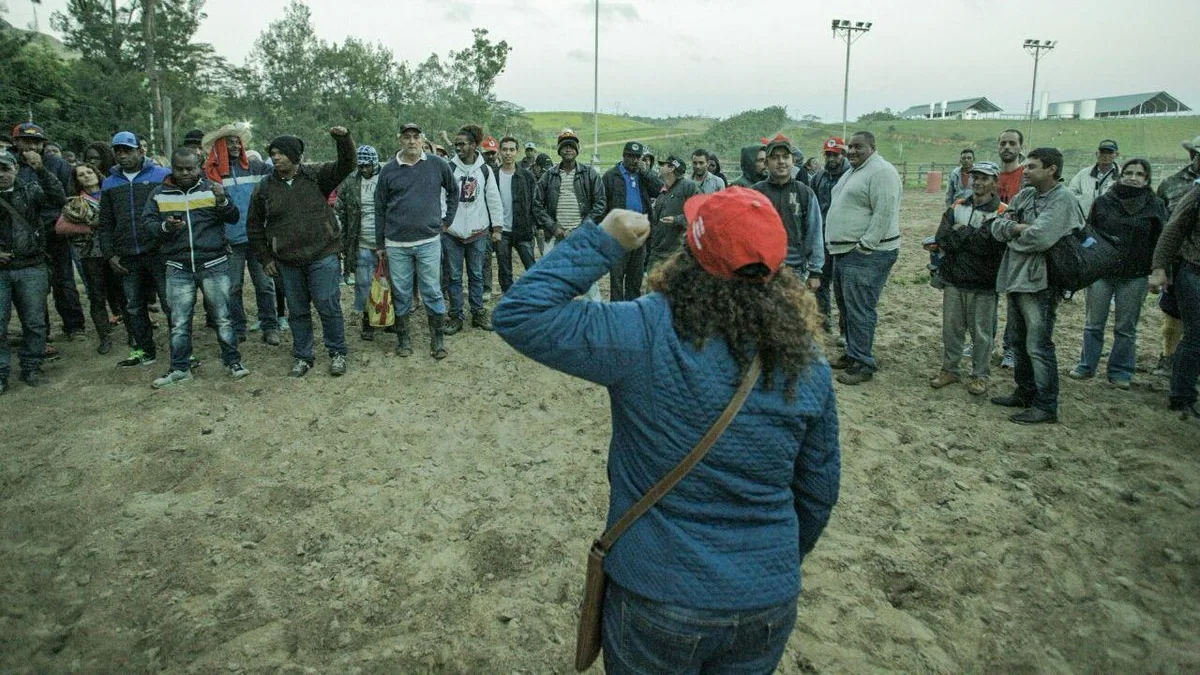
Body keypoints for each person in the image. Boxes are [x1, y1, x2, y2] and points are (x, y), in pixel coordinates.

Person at [492, 193, 840, 674]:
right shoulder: (808, 362)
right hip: (766, 598)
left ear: (690, 253)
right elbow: (818, 490)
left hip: (659, 592)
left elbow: (519, 313)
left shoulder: (644, 330)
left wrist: (601, 242)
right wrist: (767, 560)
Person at [247, 127, 355, 378]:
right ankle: (303, 356)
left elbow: (347, 163)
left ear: (295, 156)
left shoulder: (317, 176)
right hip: (287, 261)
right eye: (273, 153)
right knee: (297, 311)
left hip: (323, 255)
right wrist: (265, 257)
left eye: (282, 153)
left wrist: (343, 139)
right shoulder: (264, 188)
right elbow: (253, 225)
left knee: (327, 305)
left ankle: (337, 352)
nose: (276, 158)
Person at [989, 147, 1083, 424]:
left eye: (1032, 166)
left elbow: (1041, 238)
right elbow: (997, 226)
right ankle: (1025, 391)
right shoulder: (1027, 194)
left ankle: (1046, 404)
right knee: (1018, 340)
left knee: (1038, 344)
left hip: (1041, 282)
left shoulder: (1063, 199)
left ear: (1051, 169)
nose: (1026, 171)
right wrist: (1017, 228)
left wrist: (1014, 232)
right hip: (1016, 277)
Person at [143, 147, 248, 388]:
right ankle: (180, 368)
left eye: (190, 168)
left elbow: (232, 217)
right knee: (179, 321)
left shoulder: (212, 188)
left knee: (223, 317)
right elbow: (147, 224)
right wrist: (165, 228)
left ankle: (233, 362)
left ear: (199, 165)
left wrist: (221, 200)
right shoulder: (159, 194)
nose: (184, 173)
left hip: (214, 263)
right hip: (177, 266)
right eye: (179, 168)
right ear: (172, 167)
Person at [1068, 158, 1167, 389]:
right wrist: (1089, 261)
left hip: (1136, 274)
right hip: (1102, 272)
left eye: (1140, 174)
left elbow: (1161, 241)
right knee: (1093, 323)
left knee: (1126, 326)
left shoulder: (1155, 206)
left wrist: (1159, 271)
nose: (1133, 177)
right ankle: (1086, 365)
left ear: (1147, 179)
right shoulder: (1104, 202)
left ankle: (1121, 371)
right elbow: (1089, 232)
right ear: (1120, 176)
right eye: (1129, 173)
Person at [374, 122, 458, 359]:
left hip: (429, 240)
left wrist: (447, 220)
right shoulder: (388, 170)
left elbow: (454, 191)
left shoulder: (437, 164)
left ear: (422, 140)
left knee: (432, 289)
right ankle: (404, 339)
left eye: (415, 137)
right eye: (406, 137)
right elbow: (379, 208)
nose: (411, 141)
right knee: (401, 292)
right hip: (396, 243)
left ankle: (437, 340)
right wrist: (380, 244)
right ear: (400, 140)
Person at [825, 131, 902, 385]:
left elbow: (885, 211)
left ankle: (863, 362)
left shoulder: (882, 172)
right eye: (850, 147)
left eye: (859, 147)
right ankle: (852, 353)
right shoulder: (855, 171)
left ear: (873, 146)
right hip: (844, 251)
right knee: (847, 307)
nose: (853, 151)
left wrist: (865, 246)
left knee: (859, 309)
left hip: (867, 254)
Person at [929, 161, 1008, 395]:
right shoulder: (958, 204)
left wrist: (961, 232)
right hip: (954, 279)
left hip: (984, 284)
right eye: (975, 178)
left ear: (995, 182)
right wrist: (974, 238)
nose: (978, 182)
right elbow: (942, 237)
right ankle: (950, 369)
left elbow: (992, 245)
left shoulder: (1003, 211)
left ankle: (980, 375)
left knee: (981, 333)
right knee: (951, 330)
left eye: (984, 178)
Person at [98, 131, 172, 368]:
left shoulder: (161, 175)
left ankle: (183, 350)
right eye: (118, 151)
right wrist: (110, 253)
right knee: (133, 305)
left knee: (170, 302)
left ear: (141, 151)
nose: (123, 155)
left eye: (127, 150)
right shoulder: (109, 183)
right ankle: (143, 351)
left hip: (158, 250)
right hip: (127, 254)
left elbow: (173, 210)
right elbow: (106, 222)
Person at [201, 122, 279, 345]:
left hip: (257, 238)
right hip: (229, 241)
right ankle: (238, 327)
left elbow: (277, 174)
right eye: (230, 142)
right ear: (219, 147)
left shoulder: (255, 167)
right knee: (233, 287)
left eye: (238, 142)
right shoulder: (210, 175)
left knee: (264, 285)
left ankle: (270, 326)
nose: (235, 146)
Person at [10, 122, 85, 340]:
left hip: (54, 231)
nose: (32, 146)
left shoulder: (57, 164)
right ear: (16, 142)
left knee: (64, 281)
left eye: (37, 141)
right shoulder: (8, 163)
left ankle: (74, 326)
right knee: (32, 287)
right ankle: (40, 334)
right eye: (26, 141)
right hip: (21, 236)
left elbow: (66, 198)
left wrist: (40, 168)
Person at [0, 149, 65, 393]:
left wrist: (40, 169)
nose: (1, 174)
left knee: (35, 322)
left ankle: (32, 367)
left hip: (31, 265)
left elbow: (58, 198)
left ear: (16, 168)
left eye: (5, 168)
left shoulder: (30, 190)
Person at [443, 124, 504, 333]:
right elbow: (442, 197)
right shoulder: (449, 168)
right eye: (456, 144)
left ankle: (478, 312)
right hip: (452, 232)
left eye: (462, 144)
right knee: (453, 276)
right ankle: (456, 315)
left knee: (477, 274)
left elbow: (493, 199)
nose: (458, 147)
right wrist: (444, 223)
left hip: (478, 231)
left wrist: (497, 228)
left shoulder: (484, 170)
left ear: (473, 145)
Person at [535, 129, 606, 300]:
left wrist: (581, 229)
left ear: (577, 150)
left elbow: (601, 203)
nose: (568, 149)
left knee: (589, 282)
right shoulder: (549, 175)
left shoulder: (589, 174)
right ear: (559, 150)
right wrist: (554, 227)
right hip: (555, 236)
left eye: (572, 146)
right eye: (564, 146)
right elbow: (537, 204)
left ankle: (595, 318)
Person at [1149, 183, 1200, 419]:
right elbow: (1173, 230)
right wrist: (1159, 268)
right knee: (1196, 333)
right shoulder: (1197, 193)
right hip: (1194, 269)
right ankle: (1181, 397)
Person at [62, 163, 124, 354]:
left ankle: (134, 334)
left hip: (116, 251)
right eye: (81, 174)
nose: (87, 176)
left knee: (124, 295)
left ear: (97, 174)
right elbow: (61, 227)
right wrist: (91, 226)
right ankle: (104, 338)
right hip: (91, 254)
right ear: (77, 180)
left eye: (89, 172)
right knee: (97, 297)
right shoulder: (75, 202)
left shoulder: (112, 192)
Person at [1151, 135, 1200, 376]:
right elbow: (1162, 223)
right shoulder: (1172, 184)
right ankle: (1168, 357)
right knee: (1173, 313)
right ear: (1193, 155)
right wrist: (1160, 265)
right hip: (1178, 259)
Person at [752, 135, 824, 289]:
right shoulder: (755, 192)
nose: (781, 161)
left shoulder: (805, 193)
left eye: (785, 157)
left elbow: (815, 232)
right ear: (766, 163)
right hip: (762, 270)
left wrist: (815, 272)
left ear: (793, 161)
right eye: (775, 157)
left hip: (795, 271)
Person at [602, 141, 663, 301]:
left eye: (637, 157)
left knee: (634, 279)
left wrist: (647, 172)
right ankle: (615, 314)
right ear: (624, 156)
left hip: (640, 234)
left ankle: (631, 314)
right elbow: (603, 205)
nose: (634, 160)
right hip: (618, 235)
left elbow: (660, 190)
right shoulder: (611, 176)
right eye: (630, 156)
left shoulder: (643, 176)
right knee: (616, 279)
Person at [335, 144, 383, 341]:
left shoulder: (386, 178)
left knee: (390, 283)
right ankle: (368, 321)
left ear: (374, 163)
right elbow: (340, 210)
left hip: (386, 241)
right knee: (364, 284)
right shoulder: (351, 181)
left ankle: (391, 318)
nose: (363, 170)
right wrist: (342, 240)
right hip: (361, 241)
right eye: (360, 166)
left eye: (367, 166)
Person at [810, 137, 851, 335]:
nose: (831, 158)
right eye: (828, 154)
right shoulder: (818, 177)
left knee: (843, 288)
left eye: (835, 154)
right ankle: (823, 322)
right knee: (820, 282)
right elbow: (813, 205)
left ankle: (845, 331)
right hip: (823, 238)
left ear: (843, 154)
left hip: (845, 238)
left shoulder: (851, 176)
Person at [495, 136, 544, 293]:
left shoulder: (527, 176)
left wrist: (537, 226)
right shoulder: (493, 175)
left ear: (517, 152)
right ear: (499, 152)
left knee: (531, 266)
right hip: (501, 231)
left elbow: (535, 203)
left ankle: (536, 297)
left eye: (511, 149)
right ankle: (509, 300)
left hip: (523, 230)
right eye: (504, 149)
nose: (508, 153)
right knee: (504, 269)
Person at [995, 129, 1026, 368]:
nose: (1007, 147)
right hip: (992, 242)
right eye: (1003, 143)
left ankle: (1011, 349)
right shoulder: (992, 176)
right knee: (985, 298)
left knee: (1014, 303)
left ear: (1020, 147)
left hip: (1016, 246)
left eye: (1012, 143)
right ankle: (981, 342)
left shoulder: (1026, 176)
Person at [646, 155, 698, 271]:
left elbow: (697, 214)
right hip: (657, 250)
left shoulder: (688, 186)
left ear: (671, 168)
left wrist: (676, 220)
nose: (659, 167)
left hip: (677, 252)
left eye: (662, 165)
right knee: (652, 286)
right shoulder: (662, 192)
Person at [1068, 139, 1120, 217]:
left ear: (1116, 154)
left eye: (1110, 152)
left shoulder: (1122, 176)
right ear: (1097, 154)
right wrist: (1083, 202)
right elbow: (1070, 194)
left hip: (1111, 223)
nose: (1106, 156)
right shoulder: (1083, 174)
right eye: (1103, 152)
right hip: (1086, 222)